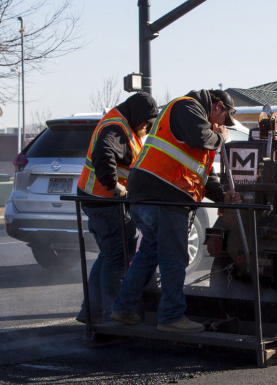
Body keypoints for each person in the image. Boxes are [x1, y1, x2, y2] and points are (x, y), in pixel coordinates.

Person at [111, 89, 239, 333]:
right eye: (224, 120)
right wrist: (221, 137)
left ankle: (123, 307)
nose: (222, 125)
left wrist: (223, 196)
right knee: (174, 257)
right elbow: (201, 138)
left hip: (152, 194)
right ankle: (171, 316)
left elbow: (203, 176)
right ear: (218, 107)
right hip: (163, 195)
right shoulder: (187, 107)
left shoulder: (195, 120)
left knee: (149, 252)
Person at [76, 92, 158, 323]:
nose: (147, 127)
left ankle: (91, 310)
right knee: (116, 257)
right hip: (103, 201)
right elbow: (103, 154)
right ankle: (111, 313)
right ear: (139, 115)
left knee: (109, 255)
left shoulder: (124, 125)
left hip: (98, 200)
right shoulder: (115, 128)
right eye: (147, 122)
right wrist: (114, 185)